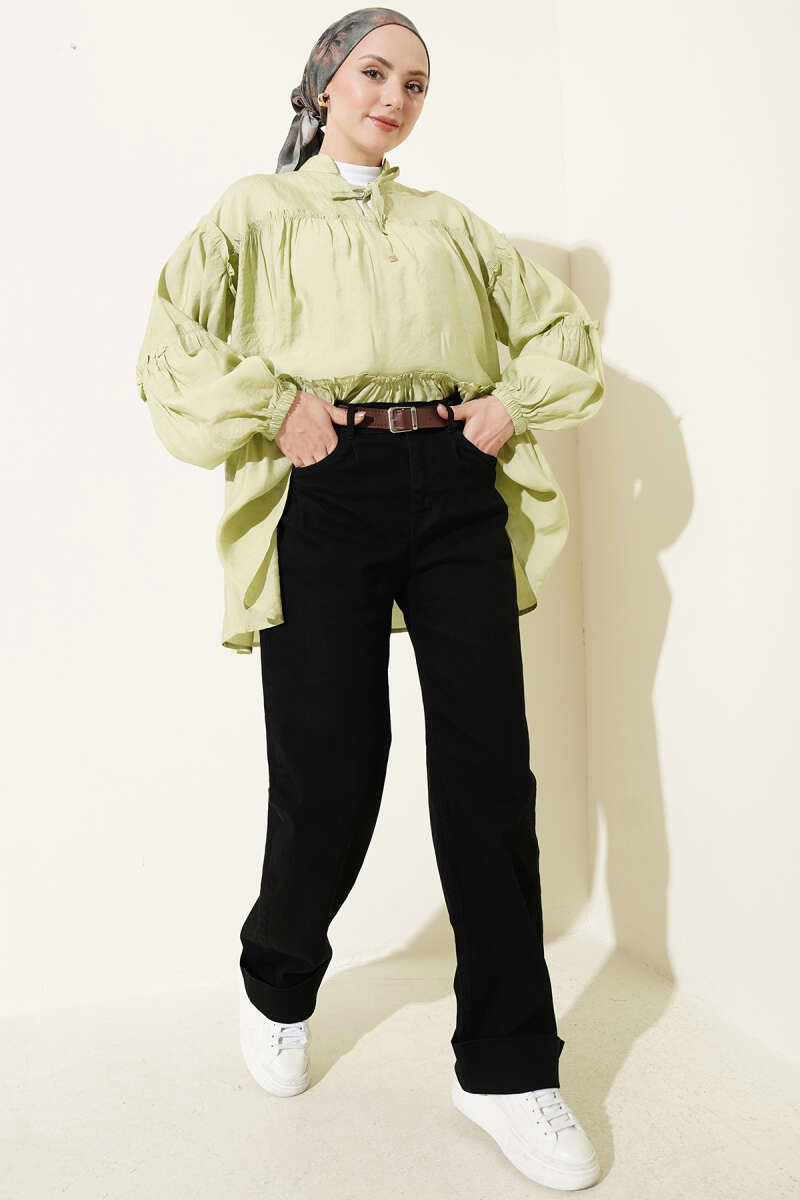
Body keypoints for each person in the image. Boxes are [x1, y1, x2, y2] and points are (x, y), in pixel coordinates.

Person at [135, 7, 605, 1192]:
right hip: (327, 486)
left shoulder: (449, 224)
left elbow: (561, 333)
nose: (393, 97)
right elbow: (169, 342)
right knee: (331, 770)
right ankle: (277, 978)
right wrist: (273, 406)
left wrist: (508, 404)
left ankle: (507, 1068)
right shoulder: (258, 208)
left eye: (415, 84)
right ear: (322, 85)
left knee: (489, 775)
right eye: (373, 73)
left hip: (454, 486)